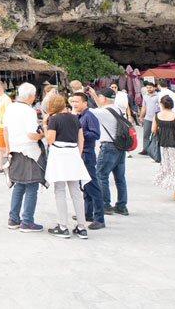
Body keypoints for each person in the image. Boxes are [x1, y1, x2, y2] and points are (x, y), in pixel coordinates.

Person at [43, 94, 91, 239]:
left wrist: (45, 125)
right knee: (76, 190)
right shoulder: (74, 118)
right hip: (73, 153)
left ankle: (63, 225)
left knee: (60, 190)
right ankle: (82, 226)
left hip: (59, 154)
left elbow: (50, 139)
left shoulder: (54, 119)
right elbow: (80, 139)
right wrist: (78, 154)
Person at [4, 83, 47, 233]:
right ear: (30, 96)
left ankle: (13, 218)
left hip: (15, 149)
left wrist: (8, 149)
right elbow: (31, 134)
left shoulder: (10, 107)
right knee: (31, 186)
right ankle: (27, 221)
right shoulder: (29, 111)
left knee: (19, 185)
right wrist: (43, 134)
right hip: (29, 150)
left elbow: (6, 129)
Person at [71, 92, 104, 230]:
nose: (74, 104)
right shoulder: (79, 116)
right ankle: (88, 212)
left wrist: (80, 133)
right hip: (80, 153)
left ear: (85, 103)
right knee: (84, 185)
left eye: (77, 101)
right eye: (73, 101)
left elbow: (96, 134)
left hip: (88, 154)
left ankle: (99, 218)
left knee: (92, 185)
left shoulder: (89, 116)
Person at [92, 87, 128, 216]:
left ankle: (105, 204)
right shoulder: (119, 109)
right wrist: (94, 95)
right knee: (120, 178)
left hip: (108, 147)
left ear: (103, 98)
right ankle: (122, 205)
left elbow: (87, 111)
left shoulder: (103, 112)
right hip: (120, 146)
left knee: (101, 175)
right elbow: (100, 108)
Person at [139, 83, 160, 156]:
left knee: (156, 134)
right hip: (147, 118)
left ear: (154, 88)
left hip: (157, 118)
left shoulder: (158, 96)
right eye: (147, 88)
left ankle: (155, 150)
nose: (149, 89)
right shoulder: (145, 96)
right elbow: (144, 107)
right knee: (146, 134)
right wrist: (141, 116)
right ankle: (146, 149)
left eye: (150, 87)